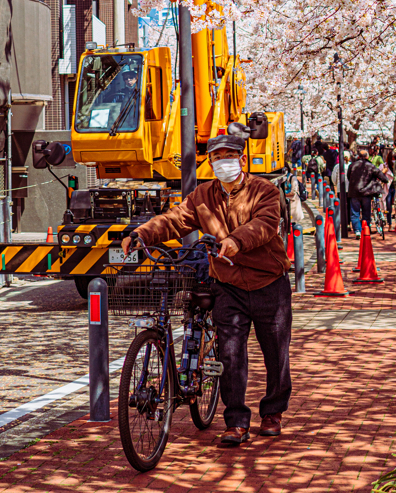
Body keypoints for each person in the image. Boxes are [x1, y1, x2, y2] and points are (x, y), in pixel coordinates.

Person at [121, 124, 292, 447]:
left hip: (269, 282)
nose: (223, 162)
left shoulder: (264, 191)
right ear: (210, 162)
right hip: (228, 285)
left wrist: (235, 241)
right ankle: (237, 421)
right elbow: (175, 219)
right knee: (230, 354)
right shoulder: (203, 195)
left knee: (276, 353)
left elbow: (266, 224)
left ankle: (273, 412)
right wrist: (141, 233)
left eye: (229, 156)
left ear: (242, 159)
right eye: (217, 157)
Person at [346, 147, 387, 237]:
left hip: (354, 192)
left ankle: (357, 230)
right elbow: (382, 176)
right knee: (366, 212)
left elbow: (349, 177)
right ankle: (366, 229)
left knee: (354, 212)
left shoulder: (352, 165)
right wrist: (384, 179)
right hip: (366, 192)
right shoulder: (370, 166)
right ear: (367, 156)